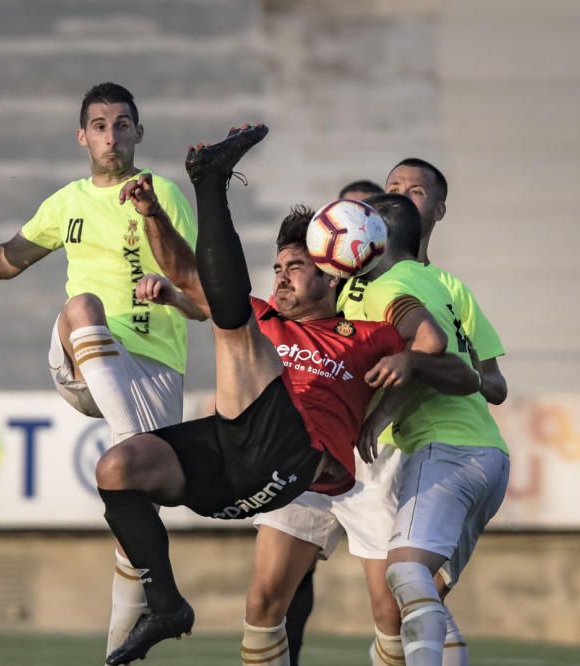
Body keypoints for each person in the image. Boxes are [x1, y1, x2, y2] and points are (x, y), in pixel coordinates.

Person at [95, 125, 480, 666]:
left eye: (295, 268)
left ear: (332, 275)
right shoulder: (264, 318)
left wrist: (402, 325)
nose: (279, 278)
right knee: (120, 468)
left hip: (316, 460)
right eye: (276, 268)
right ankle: (166, 606)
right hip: (250, 461)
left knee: (388, 612)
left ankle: (212, 184)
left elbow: (441, 353)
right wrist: (154, 215)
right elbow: (186, 271)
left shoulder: (366, 329)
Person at [0, 82, 200, 661]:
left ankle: (120, 652)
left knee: (133, 520)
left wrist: (155, 234)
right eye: (99, 125)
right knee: (81, 306)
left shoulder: (162, 192)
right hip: (84, 355)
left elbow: (192, 285)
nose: (111, 135)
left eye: (122, 124)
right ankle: (129, 442)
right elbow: (5, 261)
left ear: (139, 133)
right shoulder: (66, 201)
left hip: (155, 369)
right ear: (82, 137)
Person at [352, 193, 511, 666]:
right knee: (425, 596)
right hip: (490, 455)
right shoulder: (438, 284)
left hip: (445, 449)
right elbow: (450, 367)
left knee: (402, 573)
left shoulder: (384, 287)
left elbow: (430, 350)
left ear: (373, 241)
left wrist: (379, 414)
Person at [276, 176, 385, 666]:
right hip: (319, 456)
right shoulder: (301, 297)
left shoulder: (390, 293)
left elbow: (427, 351)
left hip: (379, 459)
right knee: (285, 583)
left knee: (399, 592)